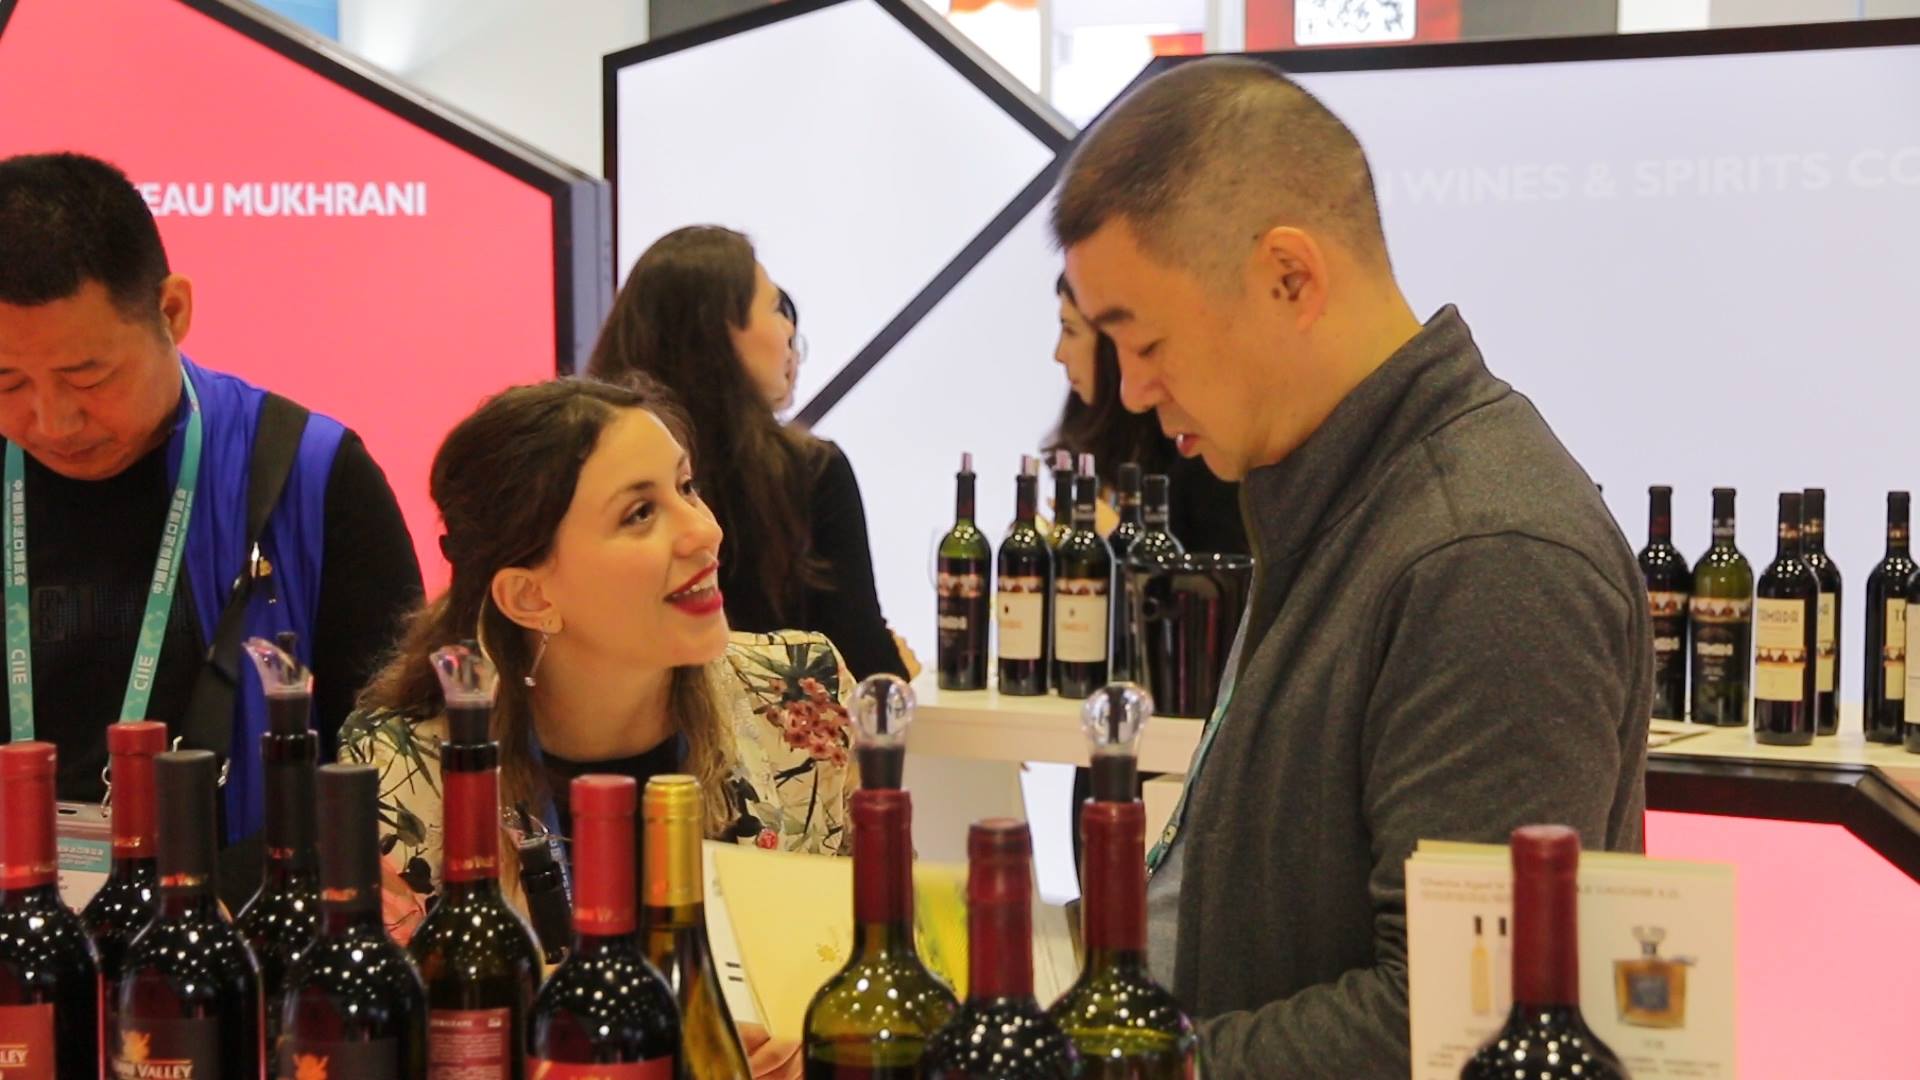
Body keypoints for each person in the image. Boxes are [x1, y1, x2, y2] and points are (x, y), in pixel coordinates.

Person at [1053, 59, 1650, 1076]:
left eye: (1145, 342)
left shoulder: (1486, 557)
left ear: (1291, 277)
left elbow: (1460, 1017)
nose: (1137, 391)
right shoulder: (1338, 497)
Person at [0, 152, 422, 854]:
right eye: (8, 382)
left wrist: (245, 892)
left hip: (243, 907)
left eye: (87, 377)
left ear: (172, 312)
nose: (52, 421)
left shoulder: (308, 474)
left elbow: (402, 766)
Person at [588, 225, 913, 680]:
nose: (790, 331)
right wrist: (897, 669)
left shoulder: (591, 460)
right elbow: (866, 669)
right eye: (776, 309)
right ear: (719, 331)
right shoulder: (811, 473)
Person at [1050, 273, 1249, 555]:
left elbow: (1223, 574)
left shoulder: (1199, 453)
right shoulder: (1102, 446)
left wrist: (1122, 544)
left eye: (1070, 331)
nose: (1058, 354)